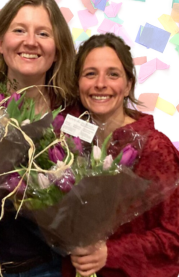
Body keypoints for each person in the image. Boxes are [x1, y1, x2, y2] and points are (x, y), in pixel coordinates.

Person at [0, 0, 76, 276]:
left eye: (44, 33)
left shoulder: (71, 112)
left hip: (46, 266)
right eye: (20, 30)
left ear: (57, 49)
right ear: (0, 42)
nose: (31, 41)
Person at [62, 33, 179, 277]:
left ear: (127, 85)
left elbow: (174, 236)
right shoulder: (67, 139)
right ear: (77, 83)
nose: (100, 84)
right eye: (90, 73)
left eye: (113, 74)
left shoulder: (155, 148)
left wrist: (111, 253)